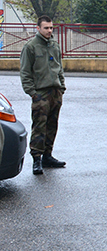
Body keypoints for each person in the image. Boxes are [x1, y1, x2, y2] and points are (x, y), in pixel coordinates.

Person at [20, 15, 66, 175]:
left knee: (52, 125)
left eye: (51, 27)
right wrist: (32, 93)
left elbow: (59, 68)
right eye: (46, 28)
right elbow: (25, 73)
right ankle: (37, 159)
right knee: (39, 126)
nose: (49, 30)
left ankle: (47, 156)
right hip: (40, 93)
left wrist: (62, 87)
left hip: (55, 92)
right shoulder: (31, 47)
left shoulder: (54, 45)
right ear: (38, 28)